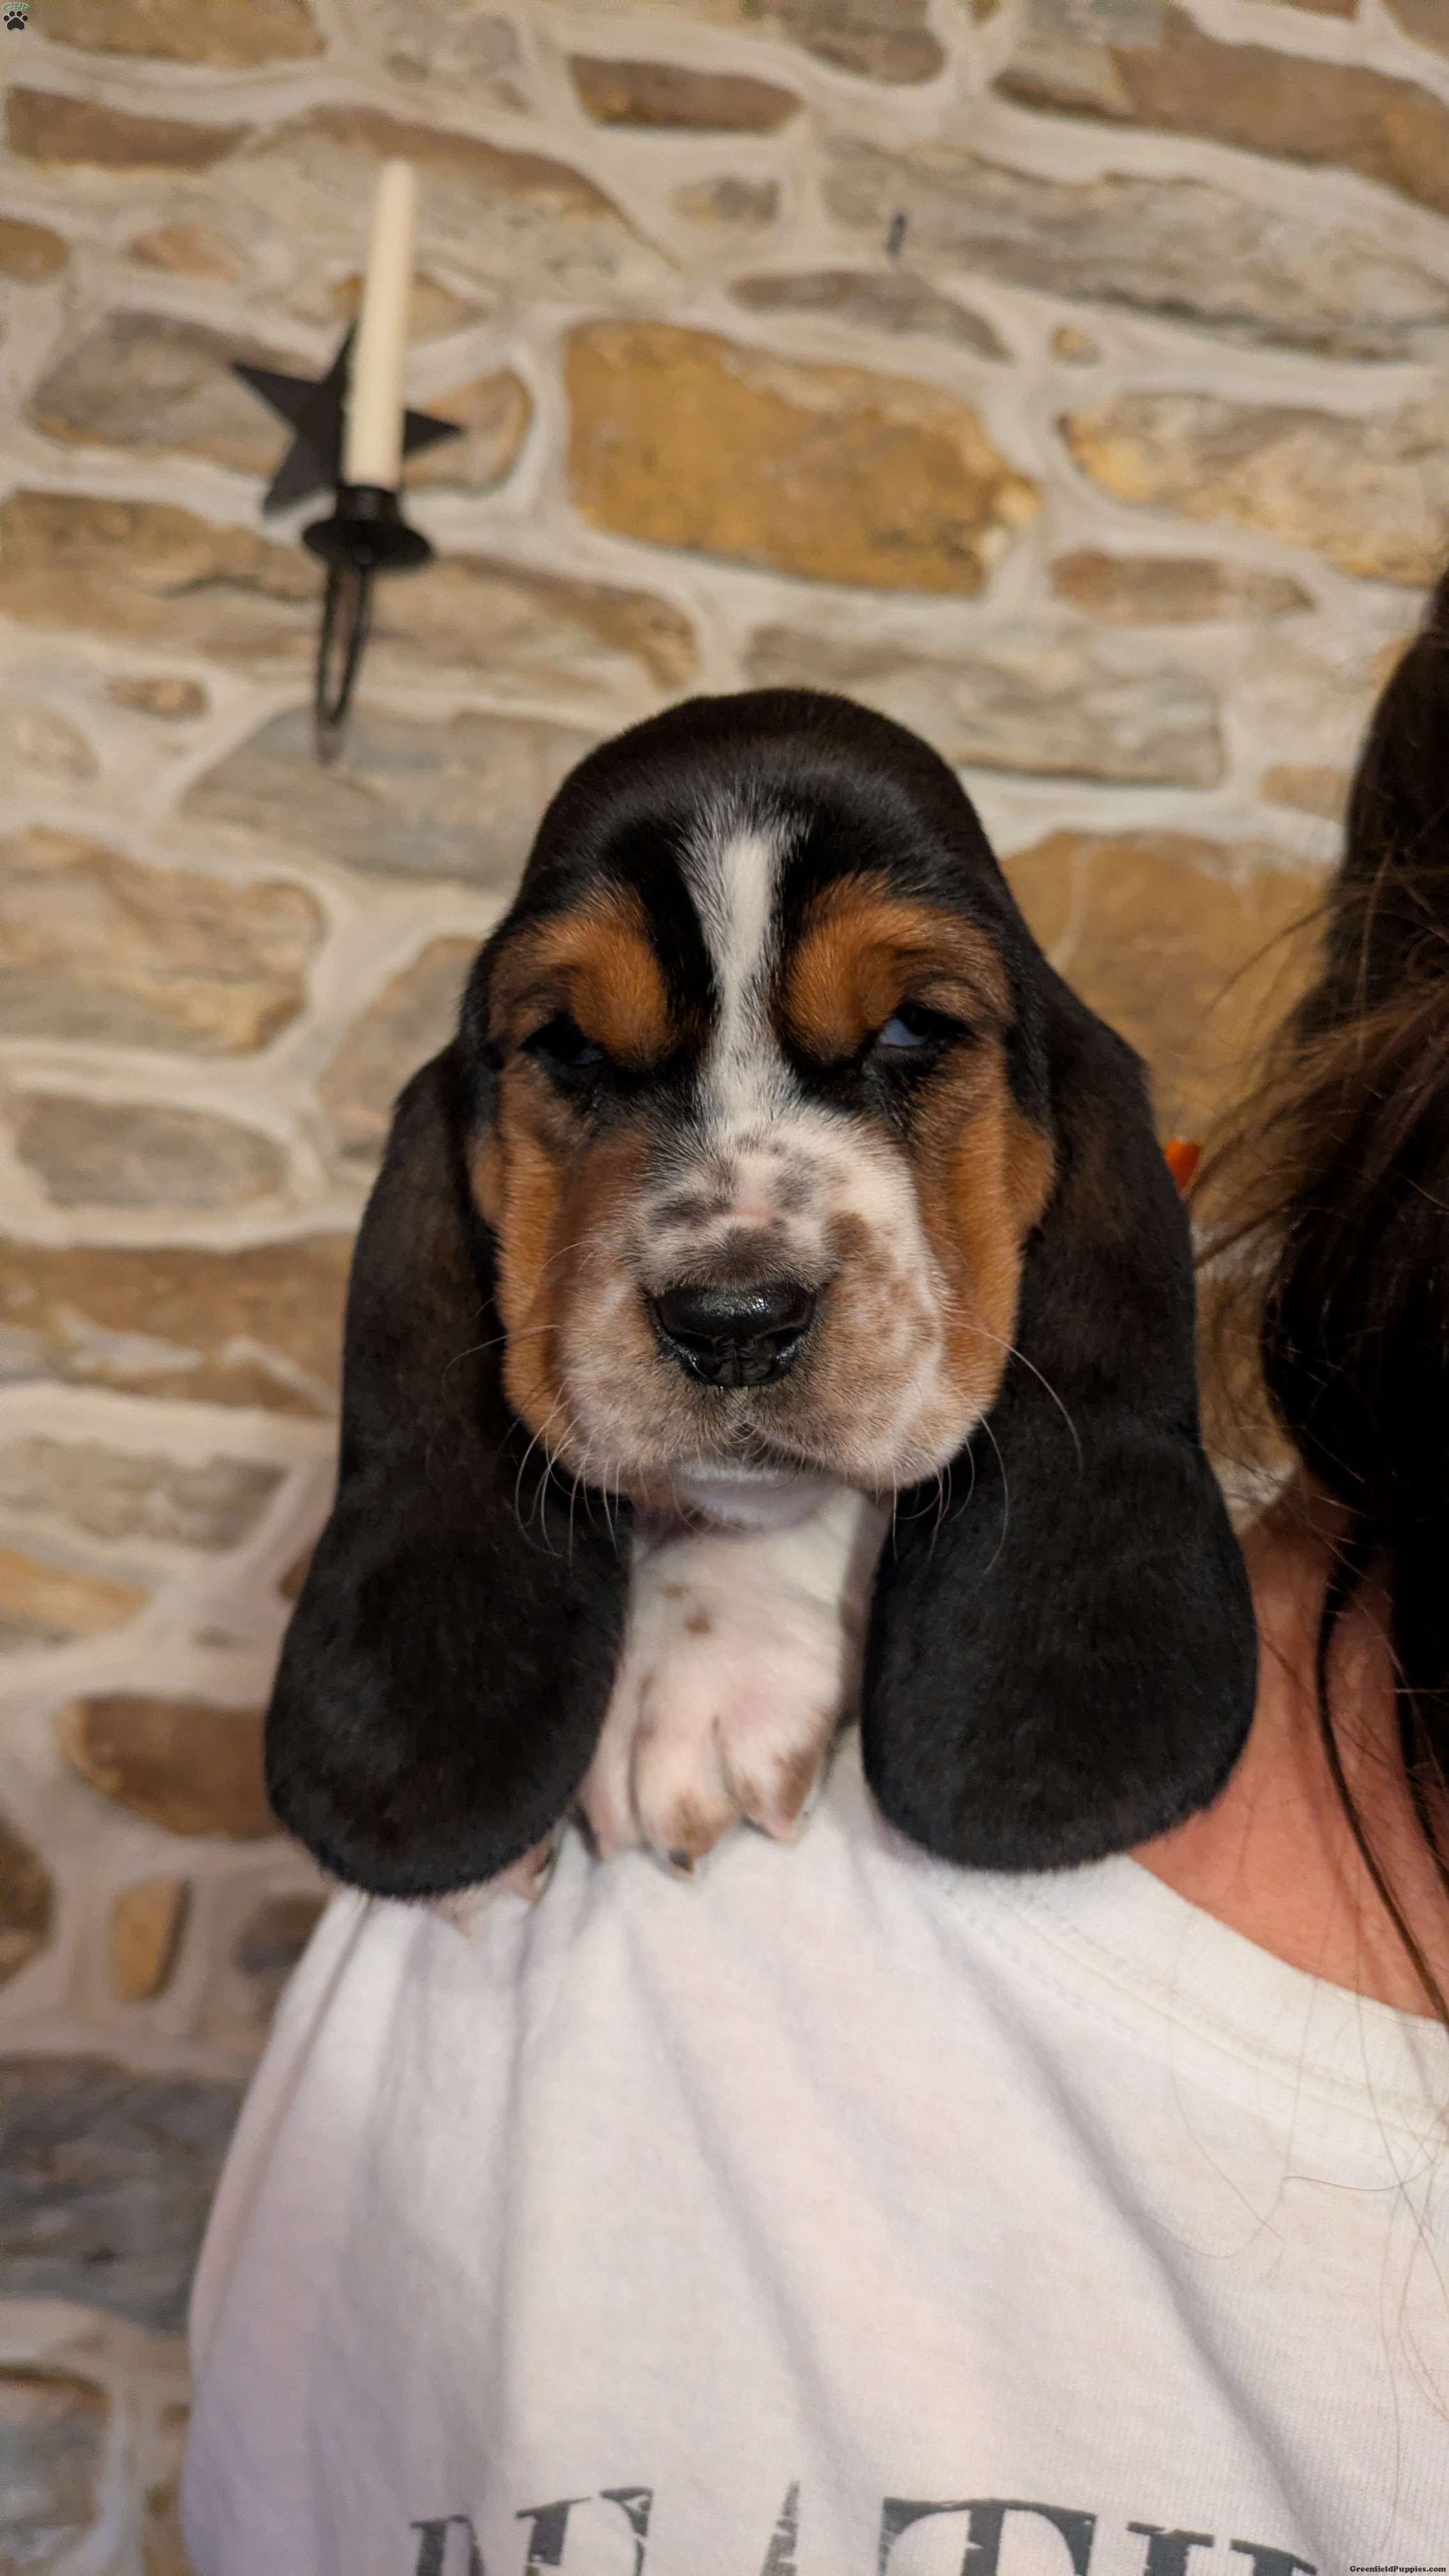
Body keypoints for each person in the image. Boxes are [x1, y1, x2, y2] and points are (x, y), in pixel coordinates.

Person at [180, 578, 1449, 2576]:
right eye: (577, 1058)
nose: (737, 1253)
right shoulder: (557, 2001)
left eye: (911, 1036)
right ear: (474, 1163)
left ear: (1067, 1144)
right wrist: (703, 1575)